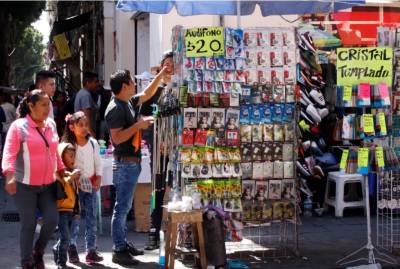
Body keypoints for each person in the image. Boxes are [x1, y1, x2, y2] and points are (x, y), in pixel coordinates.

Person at [105, 66, 167, 265]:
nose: (135, 84)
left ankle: (122, 243)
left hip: (131, 164)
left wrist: (161, 74)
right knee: (121, 209)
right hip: (124, 165)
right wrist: (138, 126)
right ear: (124, 86)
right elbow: (117, 138)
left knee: (124, 207)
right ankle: (118, 249)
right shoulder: (115, 108)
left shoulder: (128, 101)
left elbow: (148, 93)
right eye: (132, 81)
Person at [2, 89, 64, 269]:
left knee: (53, 220)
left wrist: (61, 171)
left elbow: (54, 152)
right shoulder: (18, 126)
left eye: (49, 104)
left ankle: (38, 250)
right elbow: (9, 154)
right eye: (43, 105)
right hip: (24, 185)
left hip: (48, 185)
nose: (47, 108)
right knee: (28, 224)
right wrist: (9, 175)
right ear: (31, 106)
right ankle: (26, 262)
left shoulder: (51, 124)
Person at [62, 111, 103, 264]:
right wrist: (72, 177)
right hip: (75, 188)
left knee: (92, 218)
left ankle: (91, 250)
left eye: (86, 125)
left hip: (91, 186)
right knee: (75, 219)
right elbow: (65, 164)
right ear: (72, 127)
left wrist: (98, 177)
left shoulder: (93, 143)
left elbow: (98, 162)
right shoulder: (69, 146)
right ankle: (71, 248)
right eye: (81, 125)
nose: (85, 128)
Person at [52, 142, 81, 269]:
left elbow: (76, 194)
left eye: (74, 156)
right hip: (61, 210)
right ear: (61, 157)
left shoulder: (72, 173)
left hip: (70, 210)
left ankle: (56, 249)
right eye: (70, 156)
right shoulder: (58, 173)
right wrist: (71, 178)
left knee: (66, 237)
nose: (73, 159)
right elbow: (60, 187)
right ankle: (61, 263)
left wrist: (77, 211)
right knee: (65, 237)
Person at [74, 72, 99, 137]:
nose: (97, 84)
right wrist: (90, 132)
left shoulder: (82, 93)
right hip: (85, 132)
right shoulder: (85, 95)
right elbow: (87, 115)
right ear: (88, 83)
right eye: (95, 82)